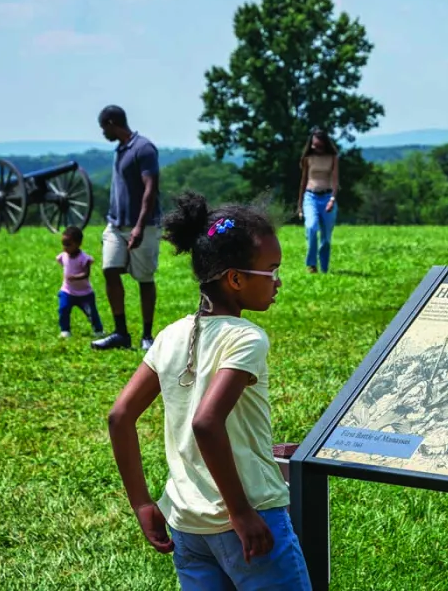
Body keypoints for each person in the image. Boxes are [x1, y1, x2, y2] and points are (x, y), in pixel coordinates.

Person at [107, 191, 311, 590]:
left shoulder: (169, 335)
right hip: (249, 517)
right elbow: (206, 423)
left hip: (186, 525)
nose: (278, 281)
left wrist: (143, 503)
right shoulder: (246, 337)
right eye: (271, 270)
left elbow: (120, 416)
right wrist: (240, 512)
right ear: (235, 278)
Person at [92, 105, 162, 351]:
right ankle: (121, 332)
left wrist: (140, 227)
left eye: (104, 128)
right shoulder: (120, 150)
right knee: (109, 270)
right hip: (116, 224)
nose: (103, 133)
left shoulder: (143, 148)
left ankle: (146, 334)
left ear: (112, 123)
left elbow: (150, 188)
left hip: (143, 225)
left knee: (144, 278)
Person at [296, 128, 339, 274]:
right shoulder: (308, 158)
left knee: (326, 238)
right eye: (314, 145)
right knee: (312, 227)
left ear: (324, 144)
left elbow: (335, 180)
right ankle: (312, 264)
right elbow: (303, 181)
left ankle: (325, 268)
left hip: (327, 197)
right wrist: (300, 205)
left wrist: (332, 199)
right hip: (310, 197)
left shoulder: (333, 157)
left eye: (319, 145)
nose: (316, 148)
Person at [56, 225, 104, 338]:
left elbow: (86, 274)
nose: (65, 247)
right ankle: (65, 330)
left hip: (85, 293)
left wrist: (74, 277)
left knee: (91, 313)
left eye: (68, 244)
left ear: (78, 243)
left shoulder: (84, 258)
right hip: (67, 291)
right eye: (63, 244)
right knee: (63, 309)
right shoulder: (63, 256)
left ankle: (98, 330)